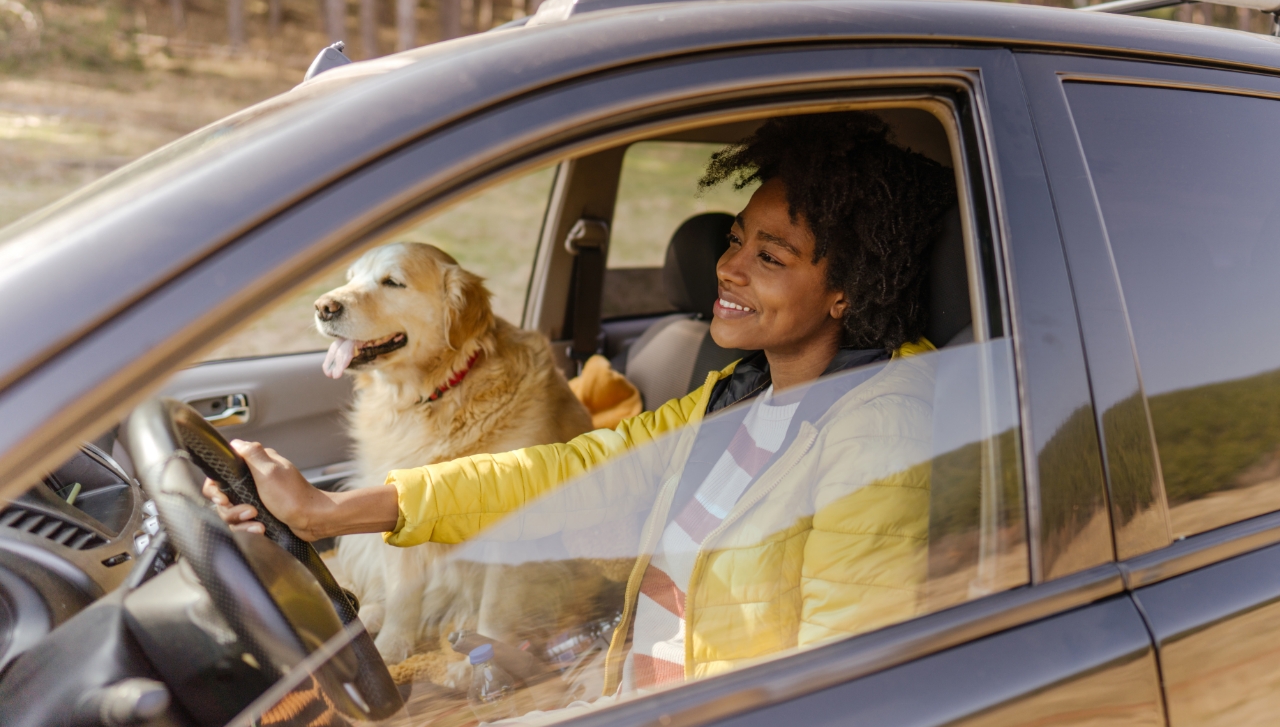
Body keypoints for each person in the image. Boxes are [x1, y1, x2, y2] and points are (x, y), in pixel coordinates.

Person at [205, 112, 957, 695]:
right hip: (624, 683)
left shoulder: (879, 434)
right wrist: (329, 512)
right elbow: (562, 471)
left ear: (848, 291)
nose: (726, 267)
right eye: (734, 239)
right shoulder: (740, 394)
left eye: (770, 256)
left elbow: (847, 686)